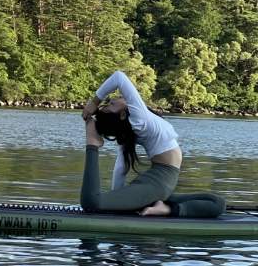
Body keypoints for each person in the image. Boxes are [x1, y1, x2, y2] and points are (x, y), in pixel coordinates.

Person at [80, 70, 225, 218]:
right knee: (92, 203)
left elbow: (121, 168)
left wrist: (117, 200)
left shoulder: (134, 127)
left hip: (156, 185)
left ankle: (166, 209)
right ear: (122, 114)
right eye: (111, 104)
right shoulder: (139, 117)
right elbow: (119, 77)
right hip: (157, 186)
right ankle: (92, 143)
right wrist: (95, 102)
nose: (114, 98)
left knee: (217, 202)